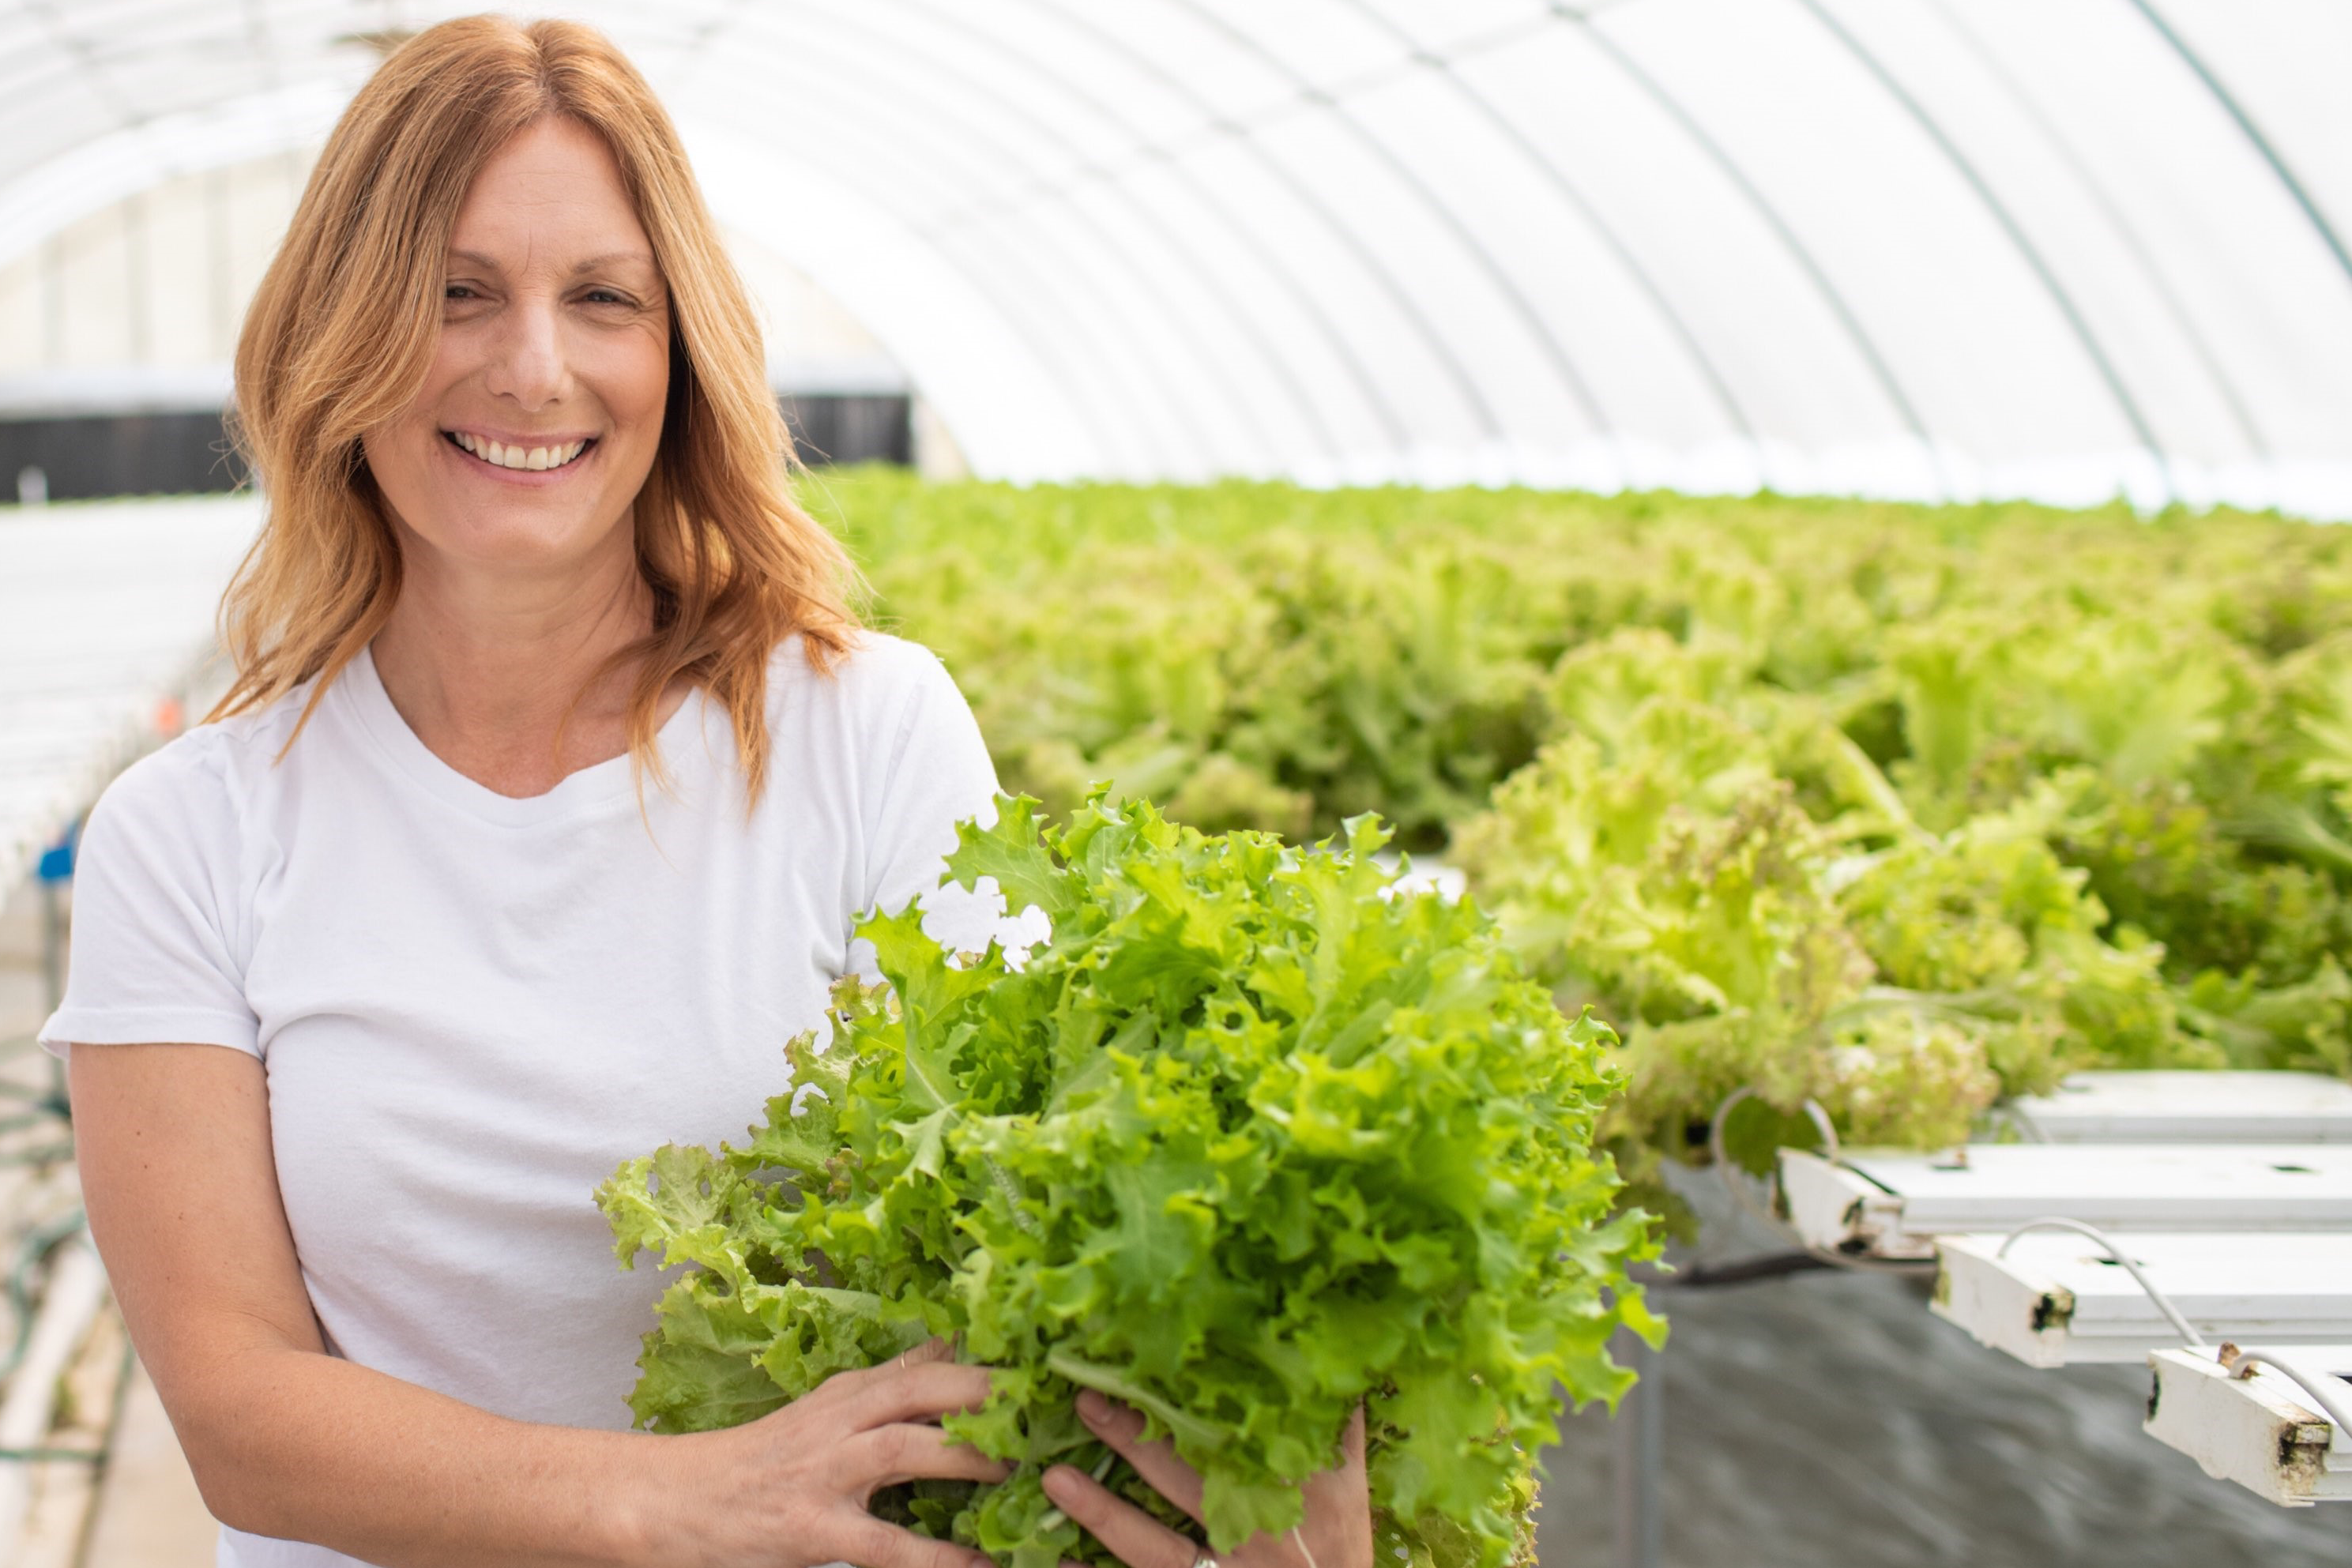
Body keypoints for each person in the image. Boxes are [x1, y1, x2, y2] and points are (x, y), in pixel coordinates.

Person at [44, 17, 1372, 1568]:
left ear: (679, 354)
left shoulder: (869, 732)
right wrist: (686, 1500)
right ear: (335, 336)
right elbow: (243, 1416)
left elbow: (1038, 1228)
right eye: (454, 292)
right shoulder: (191, 832)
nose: (533, 366)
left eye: (602, 298)